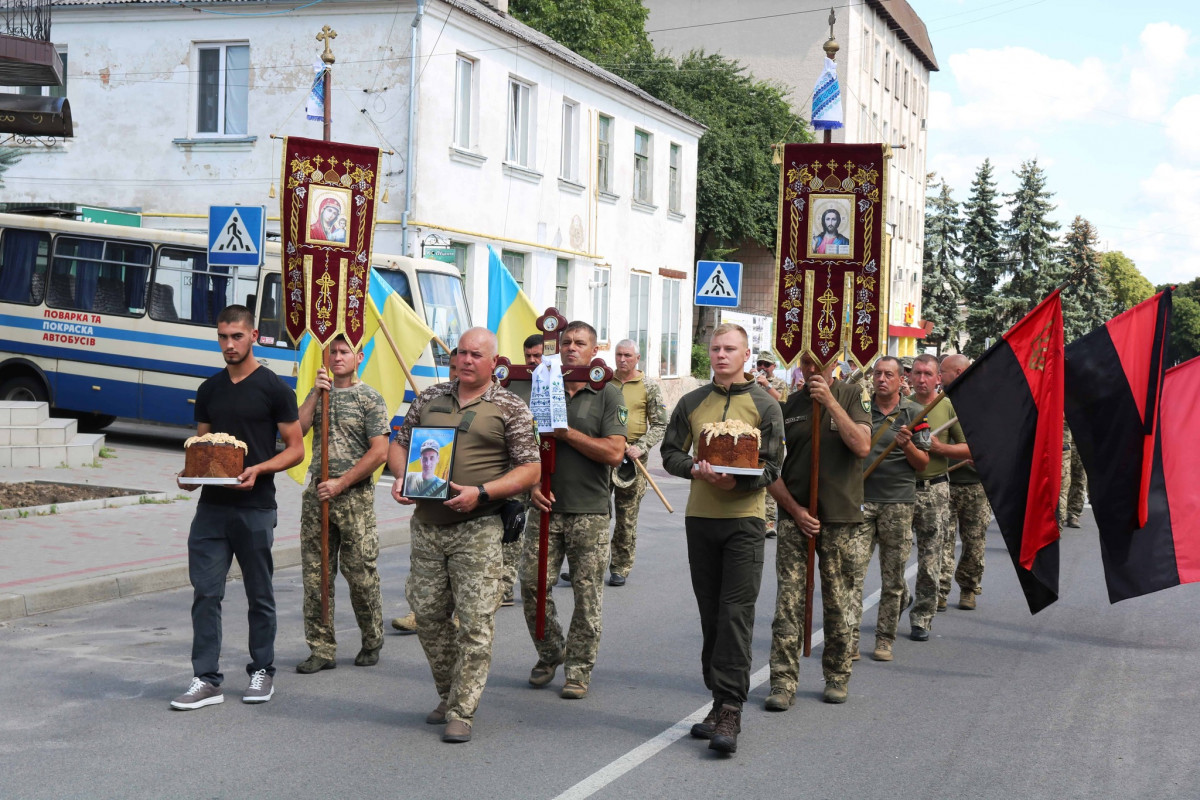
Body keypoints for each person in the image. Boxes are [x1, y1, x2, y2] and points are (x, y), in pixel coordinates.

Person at [388, 327, 540, 744]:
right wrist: (403, 476)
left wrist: (483, 492)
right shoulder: (430, 397)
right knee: (429, 615)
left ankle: (462, 709)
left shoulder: (510, 407)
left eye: (476, 354)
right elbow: (399, 443)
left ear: (494, 362)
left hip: (479, 526)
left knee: (475, 622)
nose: (466, 360)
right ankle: (448, 691)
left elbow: (530, 470)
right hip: (428, 525)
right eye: (461, 353)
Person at [171, 305, 304, 710]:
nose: (229, 345)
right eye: (223, 337)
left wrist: (260, 468)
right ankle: (206, 679)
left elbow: (296, 450)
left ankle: (262, 670)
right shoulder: (209, 389)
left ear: (254, 337)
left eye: (237, 337)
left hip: (255, 506)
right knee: (205, 594)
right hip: (212, 510)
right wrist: (190, 474)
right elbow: (203, 450)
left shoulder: (274, 389)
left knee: (259, 593)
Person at [661, 322, 784, 755]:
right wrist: (692, 469)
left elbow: (772, 467)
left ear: (746, 354)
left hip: (744, 523)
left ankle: (731, 707)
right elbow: (670, 451)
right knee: (711, 615)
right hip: (701, 520)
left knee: (735, 615)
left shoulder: (765, 405)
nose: (721, 355)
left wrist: (738, 486)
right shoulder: (693, 401)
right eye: (715, 348)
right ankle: (716, 700)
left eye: (730, 348)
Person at [522, 321, 626, 701]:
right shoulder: (542, 388)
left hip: (590, 512)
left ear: (593, 349)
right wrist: (531, 484)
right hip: (545, 506)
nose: (571, 348)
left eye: (580, 343)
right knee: (532, 585)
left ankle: (579, 669)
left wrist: (565, 432)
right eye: (565, 342)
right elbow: (522, 445)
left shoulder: (607, 394)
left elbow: (615, 453)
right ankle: (550, 652)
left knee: (586, 596)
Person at [764, 352, 870, 710]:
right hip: (796, 518)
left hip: (840, 517)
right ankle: (782, 680)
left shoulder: (852, 395)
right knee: (788, 602)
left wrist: (829, 402)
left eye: (818, 364)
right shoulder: (787, 405)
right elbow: (769, 470)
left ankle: (838, 675)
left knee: (839, 600)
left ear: (834, 362)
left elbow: (862, 445)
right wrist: (795, 510)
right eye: (805, 364)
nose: (811, 371)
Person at [295, 336, 390, 673]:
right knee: (316, 576)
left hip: (353, 499)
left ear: (358, 357)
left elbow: (380, 452)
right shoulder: (319, 393)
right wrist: (314, 393)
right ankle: (322, 648)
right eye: (332, 352)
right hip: (317, 497)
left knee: (360, 574)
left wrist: (342, 482)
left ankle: (372, 637)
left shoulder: (370, 399)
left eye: (344, 351)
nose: (337, 357)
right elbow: (295, 431)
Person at [848, 356, 930, 663]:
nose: (881, 379)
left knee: (893, 576)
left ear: (900, 379)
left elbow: (922, 464)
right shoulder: (860, 409)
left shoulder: (915, 413)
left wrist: (906, 444)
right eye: (878, 374)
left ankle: (884, 638)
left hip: (898, 502)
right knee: (852, 573)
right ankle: (850, 638)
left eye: (888, 374)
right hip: (861, 499)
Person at [906, 353, 965, 632]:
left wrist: (942, 449)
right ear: (909, 376)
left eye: (928, 374)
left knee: (931, 558)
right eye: (917, 373)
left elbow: (969, 448)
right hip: (902, 490)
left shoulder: (948, 407)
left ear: (938, 378)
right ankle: (901, 596)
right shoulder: (902, 407)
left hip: (936, 489)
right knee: (894, 556)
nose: (921, 379)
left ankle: (922, 617)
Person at [607, 339, 668, 587]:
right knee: (597, 512)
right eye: (619, 354)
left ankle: (620, 566)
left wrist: (641, 446)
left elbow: (660, 424)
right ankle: (591, 562)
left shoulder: (649, 387)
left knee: (626, 515)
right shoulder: (603, 381)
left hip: (632, 457)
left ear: (637, 358)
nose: (622, 359)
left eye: (628, 355)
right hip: (604, 453)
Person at [940, 354, 990, 610]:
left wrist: (981, 455)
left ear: (958, 373)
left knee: (973, 540)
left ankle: (969, 587)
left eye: (943, 372)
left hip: (975, 485)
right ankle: (940, 589)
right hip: (945, 481)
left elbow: (994, 440)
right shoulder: (940, 402)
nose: (940, 378)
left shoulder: (983, 402)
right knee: (943, 540)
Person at [754, 350, 788, 536]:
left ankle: (768, 521)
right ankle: (754, 518)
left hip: (773, 434)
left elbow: (782, 402)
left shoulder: (780, 383)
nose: (762, 368)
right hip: (753, 434)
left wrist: (766, 385)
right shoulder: (752, 380)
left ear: (773, 367)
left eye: (767, 365)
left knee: (771, 474)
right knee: (751, 475)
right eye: (760, 364)